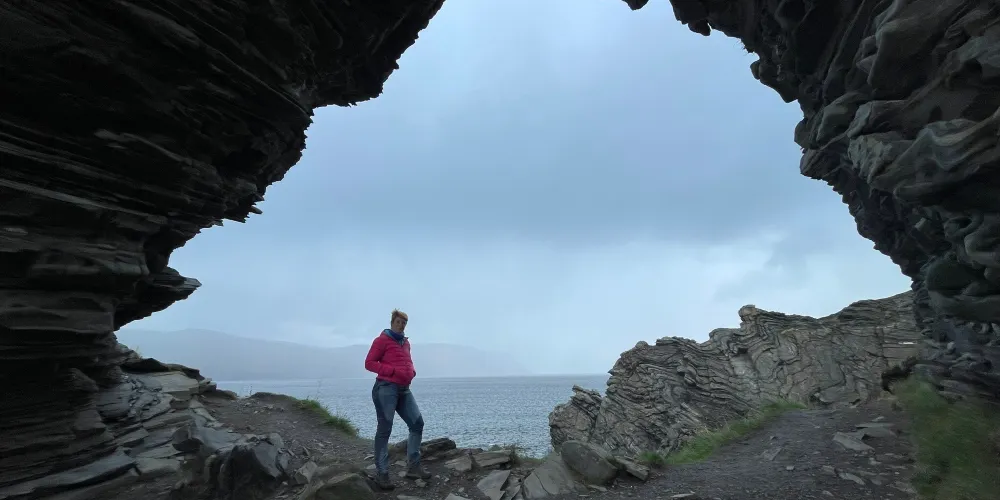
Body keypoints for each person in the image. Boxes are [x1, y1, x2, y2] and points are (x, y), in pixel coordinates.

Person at [364, 309, 431, 490]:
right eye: (398, 322)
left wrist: (412, 371)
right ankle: (382, 474)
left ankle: (413, 468)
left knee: (417, 424)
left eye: (404, 323)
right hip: (386, 388)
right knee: (384, 429)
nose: (401, 325)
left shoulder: (405, 343)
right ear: (392, 322)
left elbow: (407, 361)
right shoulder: (381, 340)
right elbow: (369, 363)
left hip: (404, 389)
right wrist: (392, 371)